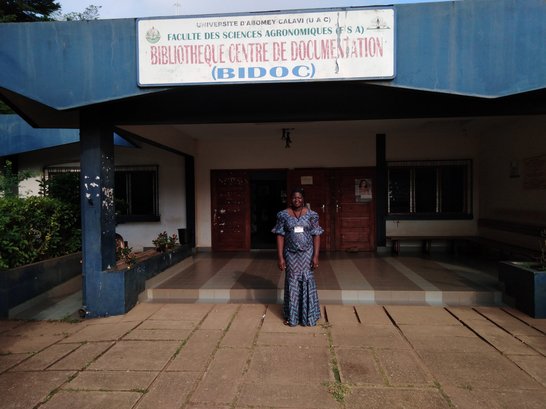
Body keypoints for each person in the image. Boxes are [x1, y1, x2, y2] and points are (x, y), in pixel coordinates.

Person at [272, 187, 324, 326]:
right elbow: (280, 235)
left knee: (307, 281)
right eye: (294, 197)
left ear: (303, 199)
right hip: (290, 254)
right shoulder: (283, 215)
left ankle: (309, 316)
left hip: (307, 254)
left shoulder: (312, 215)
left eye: (299, 197)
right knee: (293, 283)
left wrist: (316, 256)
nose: (297, 200)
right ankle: (293, 316)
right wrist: (280, 257)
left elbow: (317, 235)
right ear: (291, 199)